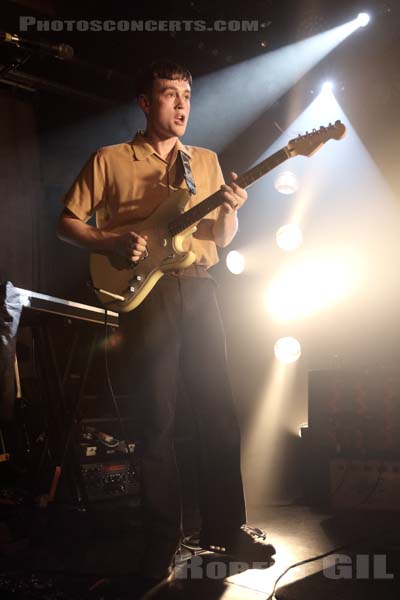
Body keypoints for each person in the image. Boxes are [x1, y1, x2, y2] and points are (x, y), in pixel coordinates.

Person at [57, 60, 275, 584]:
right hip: (145, 295)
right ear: (144, 102)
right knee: (157, 421)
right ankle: (160, 540)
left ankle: (226, 528)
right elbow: (66, 224)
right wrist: (110, 239)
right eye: (168, 94)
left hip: (199, 289)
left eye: (186, 95)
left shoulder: (206, 161)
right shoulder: (110, 159)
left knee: (219, 413)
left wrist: (231, 209)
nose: (180, 105)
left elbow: (221, 241)